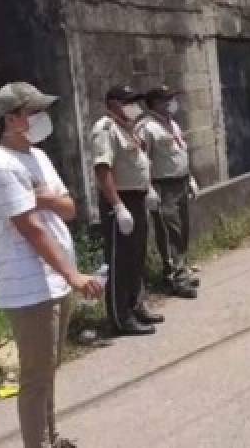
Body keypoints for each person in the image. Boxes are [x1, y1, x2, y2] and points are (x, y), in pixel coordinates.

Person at [0, 82, 102, 448]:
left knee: (48, 370)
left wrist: (45, 196)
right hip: (29, 286)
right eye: (34, 111)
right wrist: (74, 275)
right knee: (35, 378)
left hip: (53, 281)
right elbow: (31, 229)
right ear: (13, 118)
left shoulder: (37, 157)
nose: (42, 118)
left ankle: (50, 438)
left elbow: (69, 207)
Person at [91, 84, 162, 336]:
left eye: (135, 101)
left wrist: (149, 189)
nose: (134, 106)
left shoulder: (128, 129)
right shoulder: (105, 129)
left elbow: (141, 163)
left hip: (137, 198)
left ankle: (135, 305)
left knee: (136, 256)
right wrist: (118, 206)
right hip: (119, 201)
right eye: (128, 101)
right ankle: (120, 318)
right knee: (120, 261)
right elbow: (102, 170)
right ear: (112, 104)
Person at [138, 85, 200, 299]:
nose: (172, 103)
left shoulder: (171, 124)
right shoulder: (147, 128)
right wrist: (149, 189)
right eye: (166, 99)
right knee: (169, 231)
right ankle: (175, 276)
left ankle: (182, 268)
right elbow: (142, 161)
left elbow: (181, 152)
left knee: (182, 230)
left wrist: (190, 178)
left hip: (180, 182)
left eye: (172, 98)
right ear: (154, 103)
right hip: (163, 186)